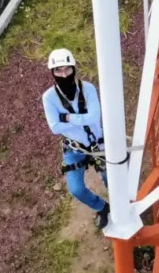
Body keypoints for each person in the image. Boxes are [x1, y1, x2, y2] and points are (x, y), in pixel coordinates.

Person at [42, 48, 111, 229]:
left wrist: (68, 118)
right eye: (59, 71)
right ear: (53, 73)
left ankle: (122, 203)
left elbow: (94, 117)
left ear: (73, 68)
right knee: (77, 189)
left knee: (110, 177)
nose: (64, 74)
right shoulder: (49, 98)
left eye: (67, 69)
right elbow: (55, 127)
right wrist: (82, 119)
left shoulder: (87, 89)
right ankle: (102, 207)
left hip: (98, 143)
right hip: (74, 149)